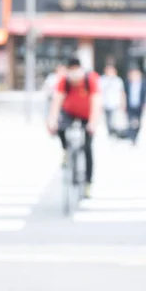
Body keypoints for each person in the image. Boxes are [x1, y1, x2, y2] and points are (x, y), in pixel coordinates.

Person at [48, 58, 101, 197]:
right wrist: (52, 120)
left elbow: (96, 101)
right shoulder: (64, 81)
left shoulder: (91, 79)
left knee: (88, 147)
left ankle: (88, 183)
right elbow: (57, 101)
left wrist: (93, 123)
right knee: (60, 127)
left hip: (87, 115)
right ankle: (66, 150)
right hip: (69, 112)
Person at [124, 68, 146, 145]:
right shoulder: (127, 83)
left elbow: (145, 94)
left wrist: (144, 104)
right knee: (131, 122)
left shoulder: (143, 83)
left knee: (138, 123)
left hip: (139, 106)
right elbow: (124, 94)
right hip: (130, 105)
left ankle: (136, 135)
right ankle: (132, 137)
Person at [100, 65, 125, 136]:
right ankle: (109, 132)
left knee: (114, 120)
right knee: (107, 121)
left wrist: (123, 103)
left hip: (115, 104)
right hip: (105, 104)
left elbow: (122, 93)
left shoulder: (118, 80)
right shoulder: (102, 80)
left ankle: (115, 133)